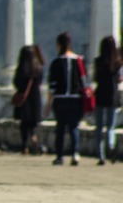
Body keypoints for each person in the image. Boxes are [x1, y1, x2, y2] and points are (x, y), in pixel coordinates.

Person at [47, 32, 87, 166]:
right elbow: (84, 82)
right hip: (76, 99)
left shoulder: (56, 62)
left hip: (60, 99)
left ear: (58, 45)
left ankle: (59, 156)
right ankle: (75, 153)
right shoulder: (79, 61)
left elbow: (52, 86)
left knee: (60, 128)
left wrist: (48, 103)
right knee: (74, 127)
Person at [93, 35, 122, 164]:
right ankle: (110, 146)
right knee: (110, 126)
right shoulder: (118, 63)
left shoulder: (98, 61)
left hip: (100, 96)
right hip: (113, 96)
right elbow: (120, 78)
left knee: (99, 127)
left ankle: (101, 155)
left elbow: (95, 77)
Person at [12, 44, 45, 155]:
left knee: (24, 123)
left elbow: (16, 82)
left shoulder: (22, 69)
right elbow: (40, 82)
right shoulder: (38, 68)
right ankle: (34, 137)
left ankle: (24, 146)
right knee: (33, 123)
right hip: (35, 97)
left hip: (24, 98)